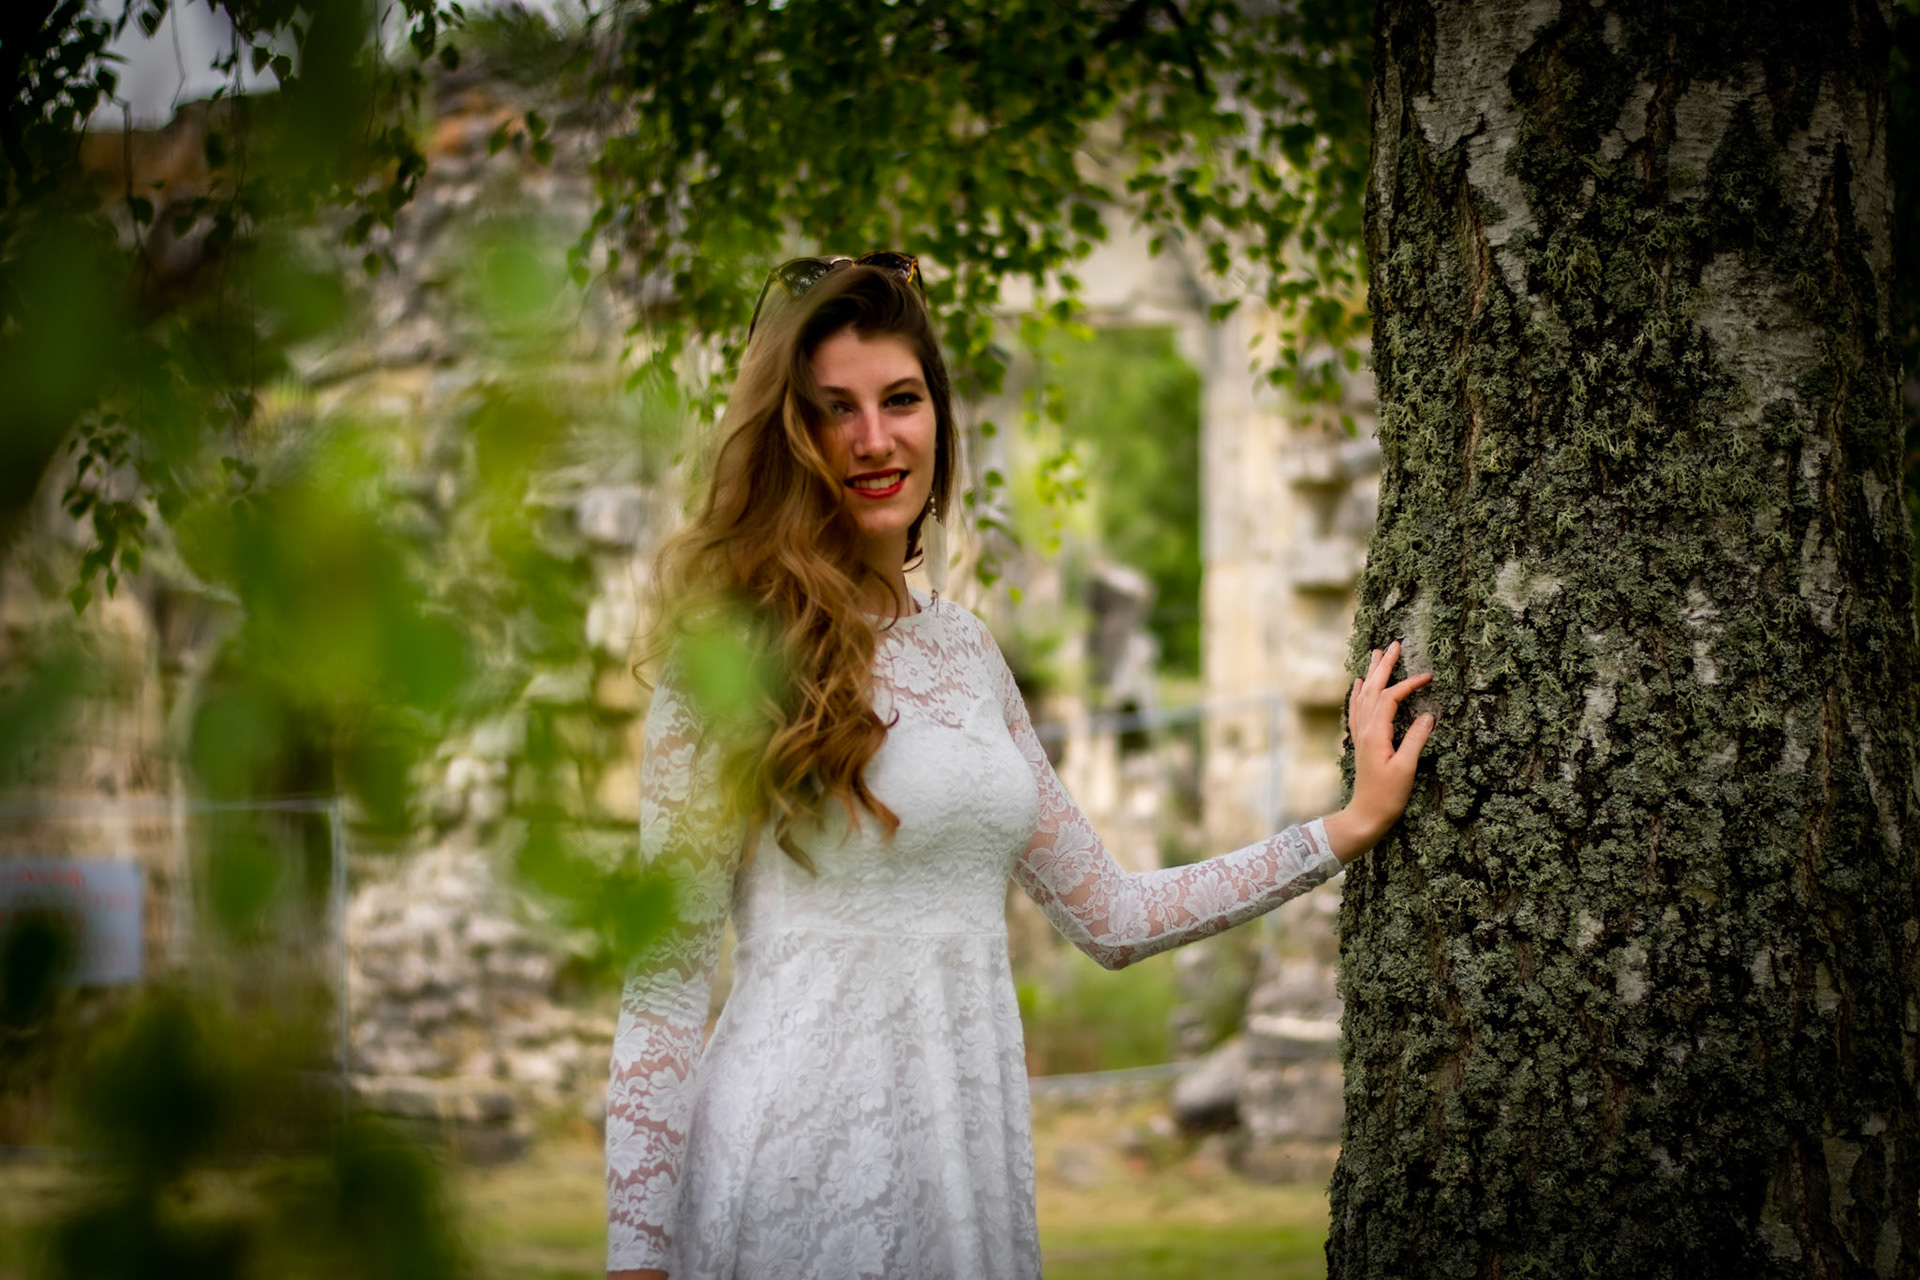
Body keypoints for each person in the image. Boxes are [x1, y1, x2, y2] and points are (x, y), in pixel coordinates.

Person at [606, 256, 1434, 1280]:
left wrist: (1344, 829)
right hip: (789, 1170)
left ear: (940, 420)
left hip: (967, 1172)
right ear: (792, 439)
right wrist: (635, 1261)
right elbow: (664, 990)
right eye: (833, 409)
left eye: (901, 399)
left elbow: (1113, 917)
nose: (874, 439)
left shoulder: (967, 652)